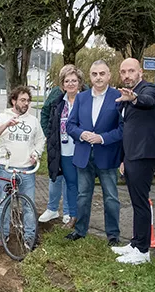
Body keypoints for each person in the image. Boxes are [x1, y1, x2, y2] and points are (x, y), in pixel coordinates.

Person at [111, 58, 155, 264]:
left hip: (144, 155)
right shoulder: (125, 95)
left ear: (140, 72)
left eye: (131, 71)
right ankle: (136, 242)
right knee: (136, 202)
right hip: (131, 155)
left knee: (141, 203)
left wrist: (133, 99)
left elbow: (147, 100)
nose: (126, 75)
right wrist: (123, 158)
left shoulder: (148, 90)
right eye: (123, 71)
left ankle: (142, 251)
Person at [66, 60, 123, 243]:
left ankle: (113, 235)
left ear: (109, 75)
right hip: (83, 155)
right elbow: (70, 125)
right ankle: (80, 231)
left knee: (111, 198)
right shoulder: (82, 98)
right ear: (90, 76)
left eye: (102, 74)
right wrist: (81, 134)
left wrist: (102, 138)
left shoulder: (118, 97)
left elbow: (123, 129)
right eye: (94, 74)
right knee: (83, 196)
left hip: (107, 155)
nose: (98, 77)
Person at [0, 86, 46, 249]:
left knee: (29, 205)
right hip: (6, 168)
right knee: (4, 203)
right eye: (22, 100)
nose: (26, 103)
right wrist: (6, 124)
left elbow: (41, 139)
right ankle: (3, 235)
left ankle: (29, 237)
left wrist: (36, 153)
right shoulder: (2, 117)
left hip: (27, 170)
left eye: (28, 100)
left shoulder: (33, 121)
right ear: (14, 100)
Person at [45, 65, 83, 229]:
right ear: (62, 84)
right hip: (65, 149)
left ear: (79, 82)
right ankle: (71, 214)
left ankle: (80, 215)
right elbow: (51, 123)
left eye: (74, 80)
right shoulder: (58, 103)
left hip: (82, 149)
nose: (70, 83)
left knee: (82, 184)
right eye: (67, 81)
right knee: (70, 183)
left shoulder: (86, 100)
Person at [39, 70, 71, 224]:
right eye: (65, 79)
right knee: (55, 177)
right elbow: (44, 113)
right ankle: (52, 209)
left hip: (74, 146)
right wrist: (48, 133)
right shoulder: (55, 95)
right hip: (56, 144)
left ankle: (68, 211)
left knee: (69, 179)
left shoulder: (83, 94)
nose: (69, 84)